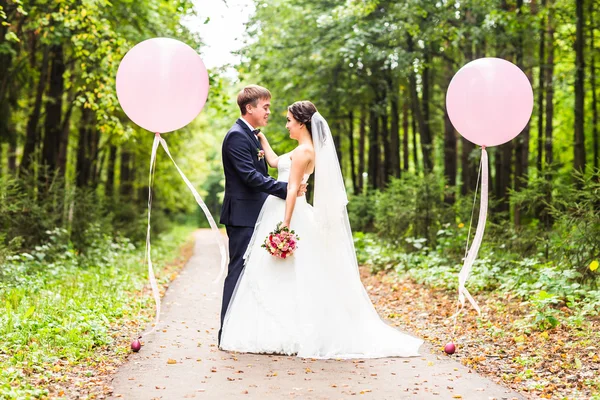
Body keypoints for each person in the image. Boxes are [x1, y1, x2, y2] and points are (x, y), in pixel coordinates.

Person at [220, 101, 423, 358]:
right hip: (278, 208)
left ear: (302, 123)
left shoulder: (305, 152)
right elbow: (273, 162)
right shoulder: (301, 149)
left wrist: (285, 223)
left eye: (290, 121)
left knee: (288, 273)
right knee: (281, 271)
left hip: (287, 212)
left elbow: (292, 188)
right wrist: (263, 140)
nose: (286, 124)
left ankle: (284, 331)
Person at [218, 85, 306, 345]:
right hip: (242, 216)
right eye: (265, 107)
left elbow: (263, 170)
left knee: (253, 273)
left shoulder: (253, 136)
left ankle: (244, 331)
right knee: (238, 270)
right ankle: (226, 332)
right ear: (250, 108)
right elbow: (250, 177)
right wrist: (286, 188)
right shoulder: (236, 136)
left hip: (256, 214)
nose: (269, 112)